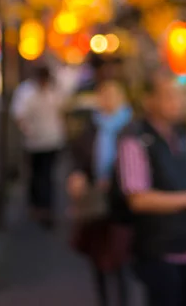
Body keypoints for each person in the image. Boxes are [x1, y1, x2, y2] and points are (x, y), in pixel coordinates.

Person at [116, 73, 186, 306]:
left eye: (180, 95)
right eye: (169, 96)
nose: (177, 102)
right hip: (159, 253)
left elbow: (177, 186)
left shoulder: (179, 135)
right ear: (149, 101)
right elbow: (138, 199)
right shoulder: (135, 139)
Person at [67, 80, 133, 306]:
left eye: (113, 96)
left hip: (123, 202)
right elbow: (78, 158)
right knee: (99, 255)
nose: (108, 101)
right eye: (104, 96)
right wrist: (78, 175)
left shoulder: (132, 128)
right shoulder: (90, 128)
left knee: (121, 256)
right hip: (95, 202)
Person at [11, 65, 66, 227]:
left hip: (52, 140)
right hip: (34, 142)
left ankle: (46, 208)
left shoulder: (54, 91)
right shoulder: (27, 92)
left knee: (47, 175)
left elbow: (62, 110)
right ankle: (36, 206)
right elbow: (18, 115)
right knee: (36, 175)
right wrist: (28, 131)